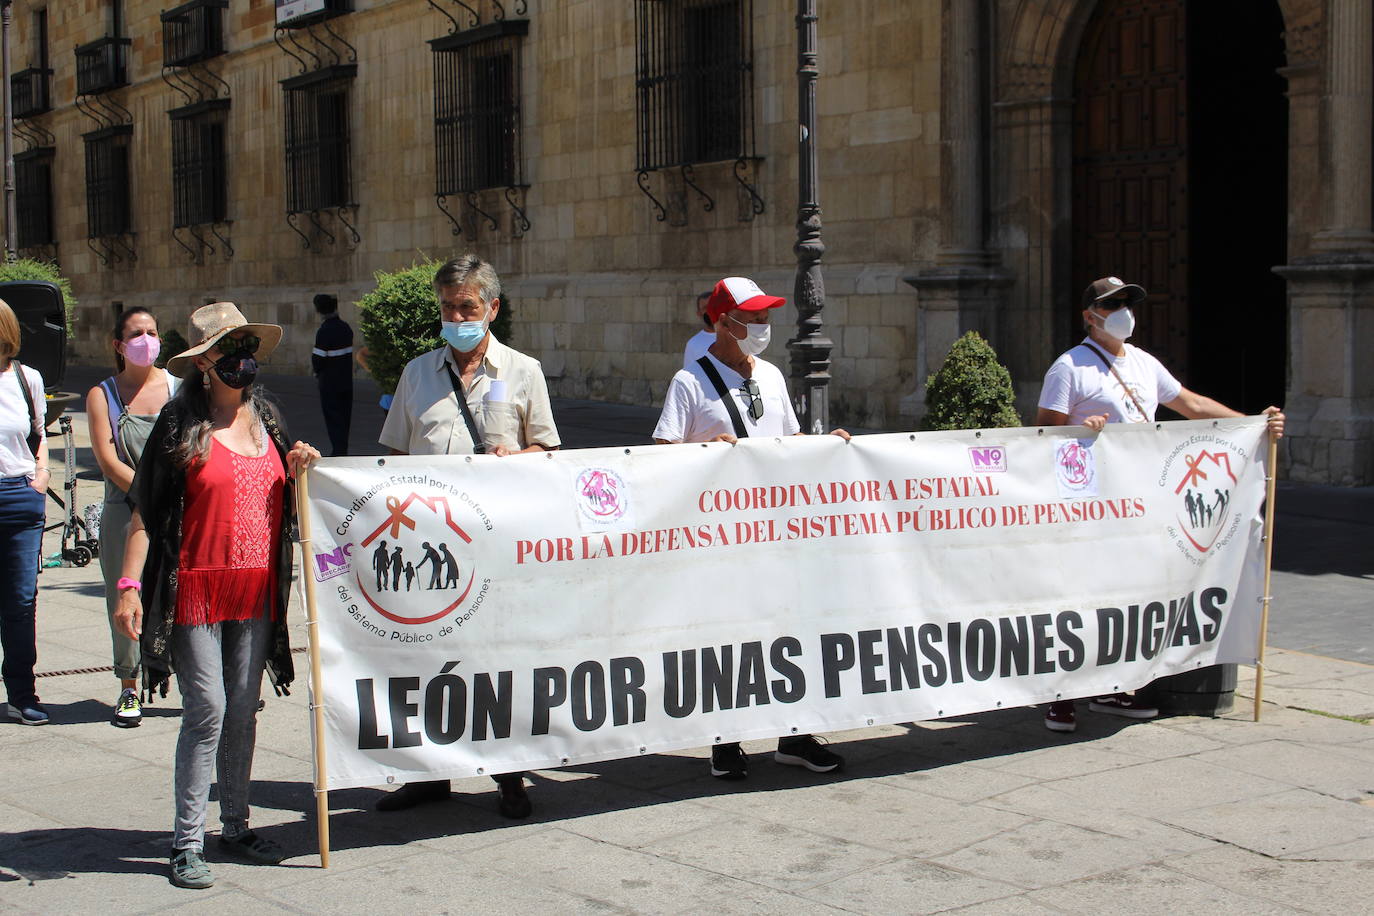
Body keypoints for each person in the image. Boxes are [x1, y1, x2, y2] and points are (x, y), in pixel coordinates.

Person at [114, 302, 319, 889]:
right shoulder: (178, 426)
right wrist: (129, 589)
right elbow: (145, 514)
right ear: (204, 362)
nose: (242, 361)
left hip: (257, 590)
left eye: (248, 349)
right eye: (230, 351)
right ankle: (186, 841)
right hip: (195, 589)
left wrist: (306, 471)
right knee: (207, 709)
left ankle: (235, 824)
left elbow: (293, 507)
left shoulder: (270, 424)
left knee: (244, 709)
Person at [1035, 275, 1285, 733]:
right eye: (1114, 304)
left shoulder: (1145, 364)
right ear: (1090, 316)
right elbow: (1041, 434)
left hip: (1140, 503)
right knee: (1081, 597)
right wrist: (1082, 431)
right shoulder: (1069, 368)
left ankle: (1111, 685)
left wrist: (1252, 424)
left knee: (1128, 595)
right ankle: (1060, 696)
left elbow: (1192, 404)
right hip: (1088, 505)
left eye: (1128, 302)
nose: (1124, 311)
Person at [375, 253, 560, 817]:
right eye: (449, 307)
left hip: (496, 548)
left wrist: (517, 456)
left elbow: (548, 451)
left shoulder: (523, 371)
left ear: (492, 308)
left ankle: (509, 774)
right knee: (427, 658)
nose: (457, 316)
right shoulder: (416, 373)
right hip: (430, 550)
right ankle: (429, 773)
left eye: (468, 307)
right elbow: (394, 456)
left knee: (497, 660)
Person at [654, 276, 849, 780]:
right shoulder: (690, 382)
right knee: (726, 638)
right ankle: (725, 740)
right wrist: (703, 453)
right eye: (753, 318)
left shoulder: (772, 376)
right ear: (723, 322)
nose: (763, 327)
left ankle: (795, 734)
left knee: (790, 631)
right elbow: (658, 460)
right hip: (717, 539)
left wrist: (828, 446)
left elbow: (789, 442)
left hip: (774, 533)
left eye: (766, 317)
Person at [87, 307, 181, 727]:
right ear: (119, 345)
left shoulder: (179, 388)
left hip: (178, 508)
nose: (147, 339)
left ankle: (198, 681)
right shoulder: (102, 394)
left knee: (184, 593)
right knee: (124, 597)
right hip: (124, 510)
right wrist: (151, 495)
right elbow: (108, 460)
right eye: (137, 333)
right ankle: (128, 686)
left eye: (153, 332)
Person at [0, 298, 50, 726]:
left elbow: (38, 434)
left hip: (19, 496)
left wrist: (42, 474)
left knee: (19, 601)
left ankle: (21, 693)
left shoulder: (25, 378)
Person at [311, 293, 353, 456]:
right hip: (346, 382)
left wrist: (317, 372)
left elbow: (318, 360)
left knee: (333, 419)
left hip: (329, 384)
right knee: (345, 418)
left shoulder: (324, 331)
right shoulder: (346, 328)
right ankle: (343, 449)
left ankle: (338, 451)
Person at [681, 289, 714, 367]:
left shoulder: (734, 336)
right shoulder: (693, 344)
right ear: (699, 313)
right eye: (705, 308)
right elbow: (688, 376)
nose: (709, 311)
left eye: (712, 306)